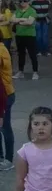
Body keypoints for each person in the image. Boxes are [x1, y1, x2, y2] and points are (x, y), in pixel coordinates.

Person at [12, 0, 39, 80]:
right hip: (19, 35)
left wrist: (18, 21)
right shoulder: (18, 11)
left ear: (28, 1)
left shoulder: (32, 11)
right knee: (21, 54)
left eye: (24, 1)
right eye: (20, 1)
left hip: (29, 35)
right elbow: (12, 20)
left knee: (32, 54)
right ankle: (20, 71)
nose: (22, 2)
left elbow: (30, 22)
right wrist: (23, 19)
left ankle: (35, 72)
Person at [0, 39, 14, 172]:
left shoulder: (1, 50)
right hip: (5, 93)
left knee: (5, 127)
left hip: (4, 95)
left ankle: (8, 159)